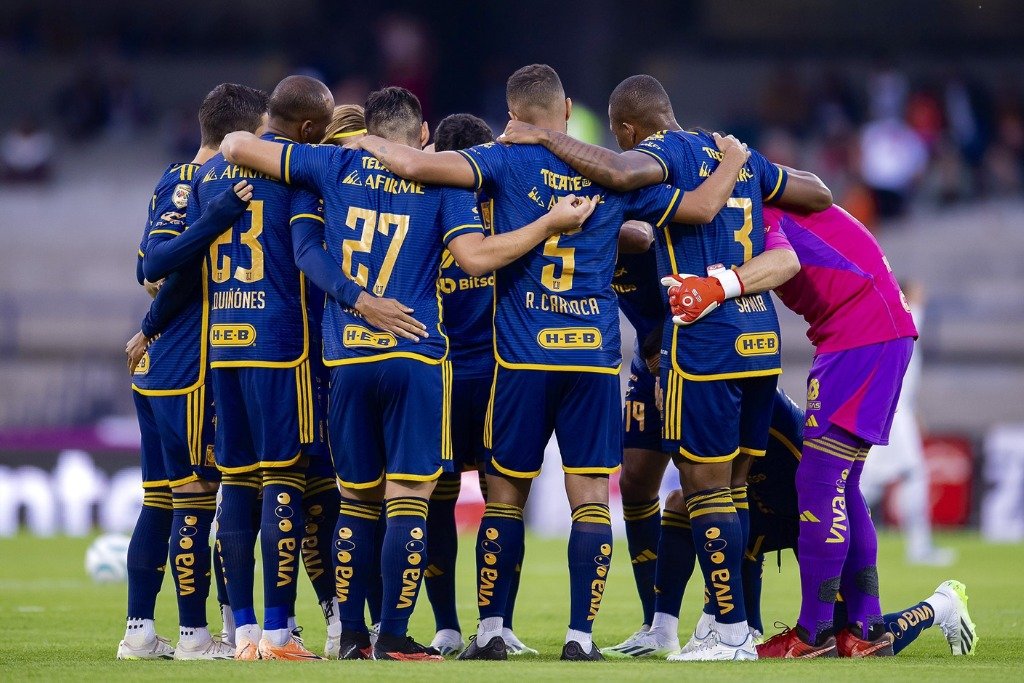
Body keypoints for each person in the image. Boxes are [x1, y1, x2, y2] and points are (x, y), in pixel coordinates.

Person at [347, 64, 753, 661]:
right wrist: (732, 163)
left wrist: (361, 140)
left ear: (513, 113)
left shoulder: (500, 160)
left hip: (521, 358)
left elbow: (414, 165)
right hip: (590, 359)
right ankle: (579, 638)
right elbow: (699, 209)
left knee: (504, 494)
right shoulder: (612, 172)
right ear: (566, 111)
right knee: (590, 496)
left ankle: (490, 630)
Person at [220, 84, 599, 661]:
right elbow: (474, 258)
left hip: (348, 356)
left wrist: (357, 294)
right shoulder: (441, 180)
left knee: (355, 502)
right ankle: (394, 634)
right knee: (409, 500)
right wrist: (547, 225)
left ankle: (350, 636)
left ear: (369, 129)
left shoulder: (333, 161)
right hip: (416, 354)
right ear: (424, 137)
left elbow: (235, 144)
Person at [500, 72, 829, 661]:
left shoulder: (662, 155)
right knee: (712, 485)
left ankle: (730, 630)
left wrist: (545, 139)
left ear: (629, 129)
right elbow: (817, 192)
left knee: (703, 487)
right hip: (758, 337)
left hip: (700, 343)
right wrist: (745, 163)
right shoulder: (731, 157)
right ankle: (698, 625)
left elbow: (626, 176)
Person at [670, 204, 919, 658]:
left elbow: (785, 261)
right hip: (870, 331)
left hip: (860, 334)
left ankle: (812, 633)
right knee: (842, 484)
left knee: (819, 482)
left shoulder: (753, 206)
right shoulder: (778, 194)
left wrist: (716, 287)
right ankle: (864, 627)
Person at [193, 74, 341, 662]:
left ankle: (243, 632)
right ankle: (280, 632)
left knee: (235, 483)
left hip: (224, 345)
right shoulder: (296, 171)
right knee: (283, 482)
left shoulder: (206, 177)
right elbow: (308, 255)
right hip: (283, 348)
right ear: (308, 129)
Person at [118, 83, 267, 661]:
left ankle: (138, 632)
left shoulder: (173, 177)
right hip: (190, 366)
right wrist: (219, 219)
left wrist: (148, 327)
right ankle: (195, 635)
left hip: (157, 362)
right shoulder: (213, 186)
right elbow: (157, 267)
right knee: (199, 495)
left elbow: (160, 271)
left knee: (159, 497)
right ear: (242, 135)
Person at [422, 112, 536, 657]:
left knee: (435, 501)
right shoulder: (508, 217)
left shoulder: (422, 210)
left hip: (437, 378)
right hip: (498, 377)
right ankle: (497, 624)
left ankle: (445, 626)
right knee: (502, 500)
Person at [861, 281, 954, 566]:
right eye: (917, 294)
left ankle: (830, 531)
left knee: (871, 482)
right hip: (894, 413)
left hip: (896, 410)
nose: (922, 299)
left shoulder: (892, 324)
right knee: (908, 475)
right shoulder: (905, 318)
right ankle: (919, 547)